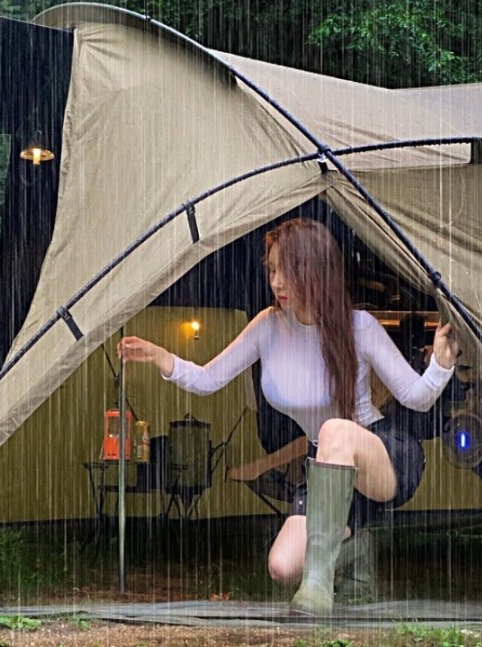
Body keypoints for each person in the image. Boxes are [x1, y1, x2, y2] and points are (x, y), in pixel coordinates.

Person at [117, 218, 458, 614]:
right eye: (272, 270)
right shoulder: (267, 326)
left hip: (383, 456)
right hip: (327, 470)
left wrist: (440, 365)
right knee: (281, 566)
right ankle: (344, 557)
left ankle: (318, 589)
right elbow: (209, 379)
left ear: (316, 271)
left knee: (333, 430)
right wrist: (162, 357)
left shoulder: (358, 327)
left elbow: (416, 398)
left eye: (288, 271)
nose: (277, 283)